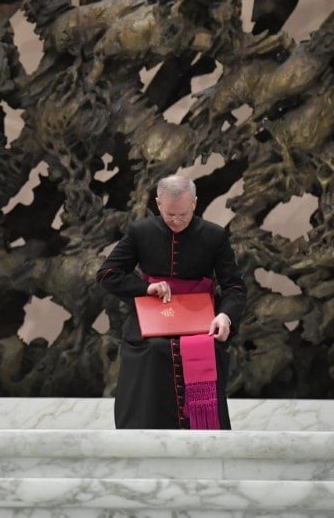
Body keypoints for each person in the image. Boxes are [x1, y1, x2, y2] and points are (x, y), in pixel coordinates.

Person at [96, 174, 247, 429]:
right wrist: (146, 288)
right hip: (152, 318)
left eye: (183, 215)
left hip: (199, 319)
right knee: (154, 351)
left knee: (206, 348)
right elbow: (107, 274)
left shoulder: (214, 235)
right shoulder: (140, 231)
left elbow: (234, 285)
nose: (176, 221)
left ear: (195, 204)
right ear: (158, 204)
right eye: (170, 215)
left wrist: (225, 316)